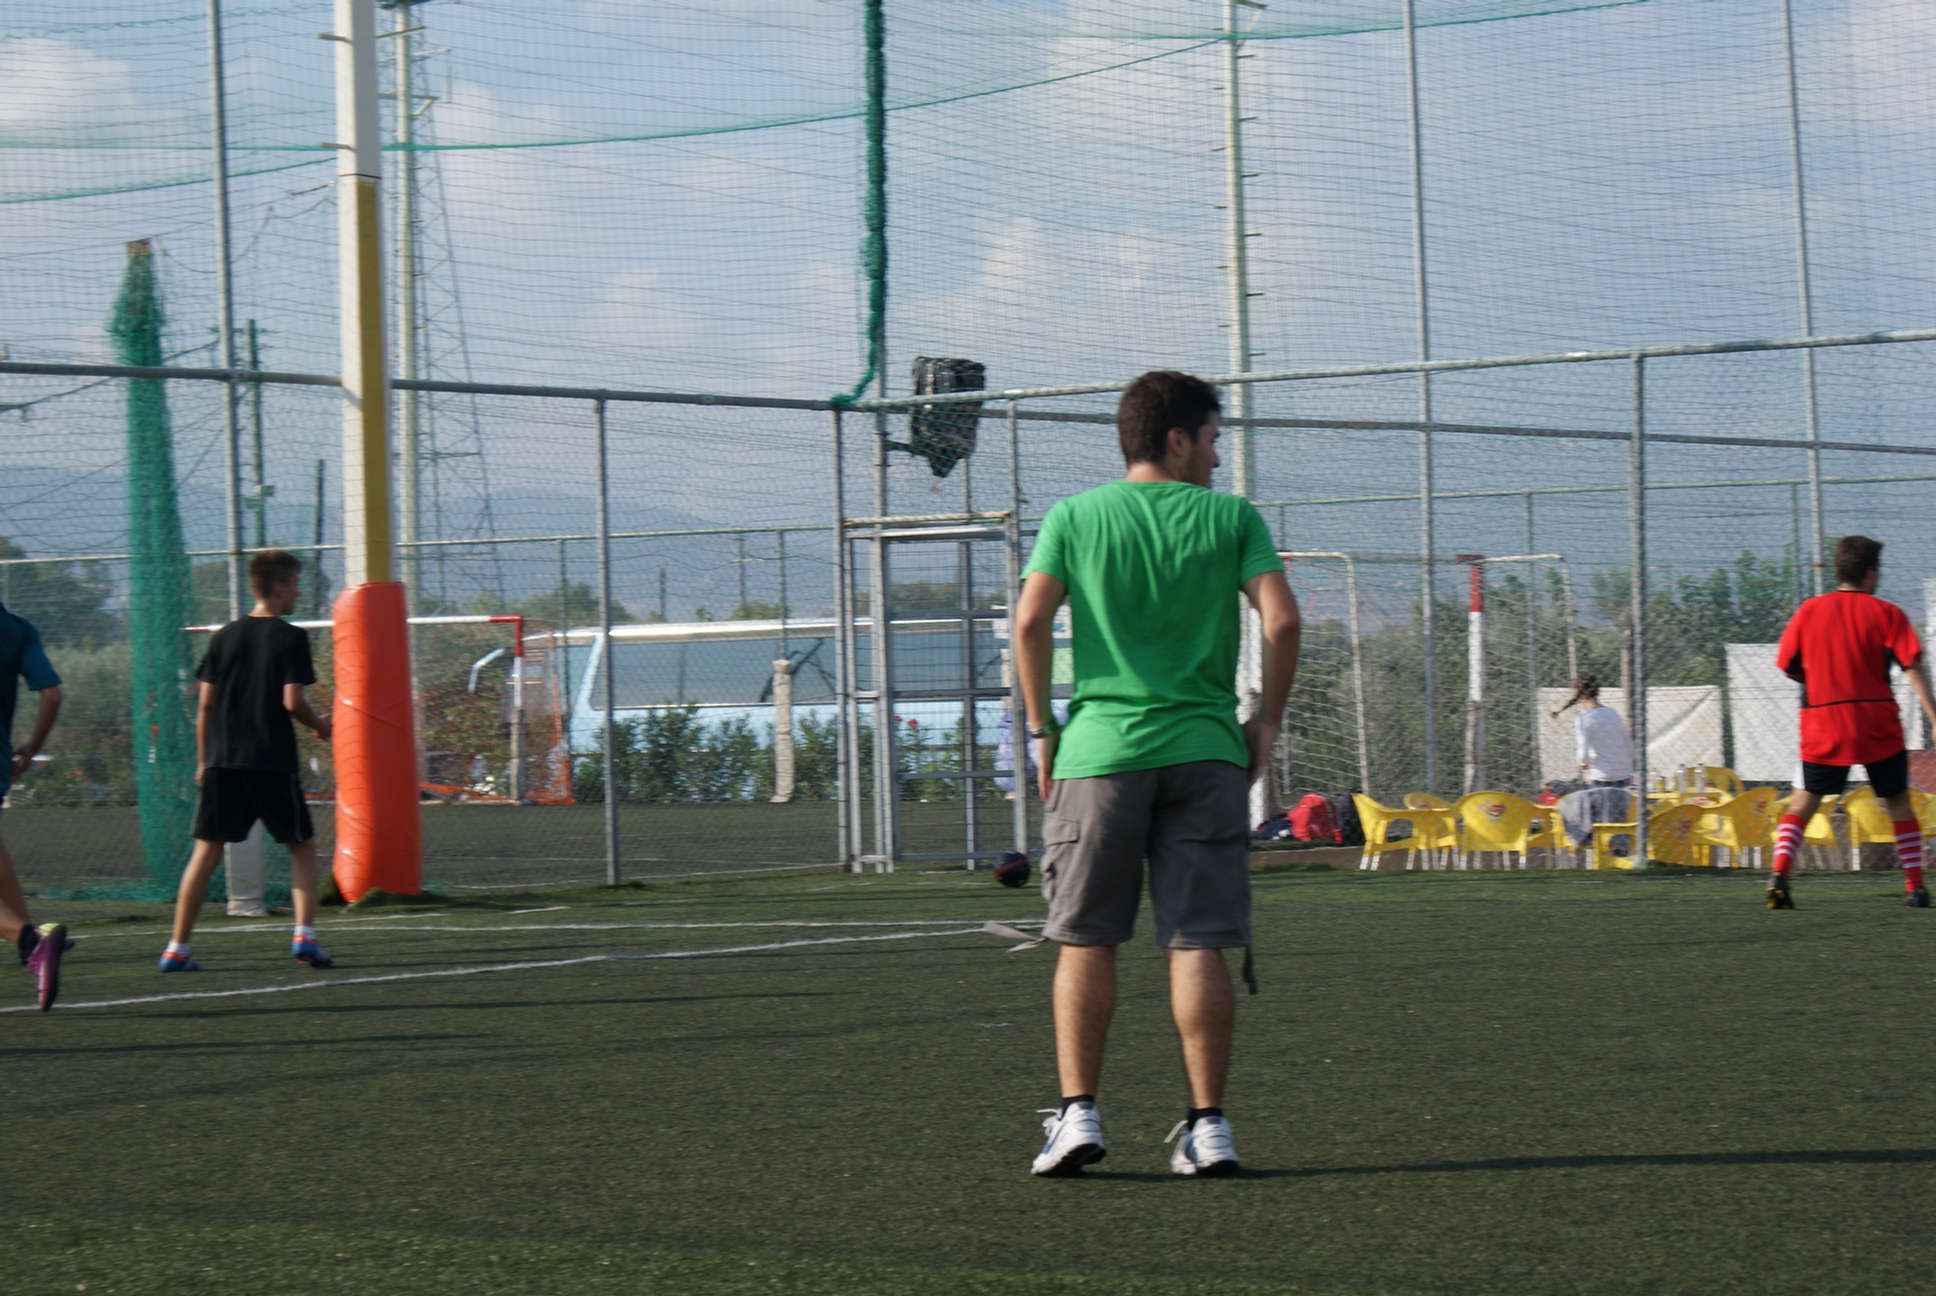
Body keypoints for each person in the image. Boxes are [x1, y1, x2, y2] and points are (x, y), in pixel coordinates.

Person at [1013, 370, 1300, 1178]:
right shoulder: (1232, 518)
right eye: (1211, 440)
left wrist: (1042, 730)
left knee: (1084, 939)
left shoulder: (1074, 516)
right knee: (1197, 941)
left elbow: (1030, 621)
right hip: (1206, 753)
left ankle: (1077, 1115)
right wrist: (1266, 721)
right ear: (1177, 440)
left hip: (1098, 756)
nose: (1217, 458)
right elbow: (1282, 621)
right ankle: (1208, 1128)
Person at [161, 550, 334, 970]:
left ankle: (177, 948)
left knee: (205, 852)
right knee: (302, 847)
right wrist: (321, 725)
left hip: (223, 762)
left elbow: (205, 706)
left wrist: (204, 760)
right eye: (295, 585)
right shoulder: (290, 638)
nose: (298, 593)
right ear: (279, 588)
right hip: (271, 761)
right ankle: (304, 936)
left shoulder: (224, 636)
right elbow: (292, 701)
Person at [1768, 534, 1936, 909]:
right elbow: (1912, 665)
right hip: (1876, 721)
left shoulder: (1809, 611)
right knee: (1898, 802)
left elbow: (1787, 664)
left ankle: (1779, 876)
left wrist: (1823, 681)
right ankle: (1915, 887)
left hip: (1823, 721)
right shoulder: (1888, 614)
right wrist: (1934, 717)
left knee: (1803, 802)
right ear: (1871, 572)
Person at [1, 599, 67, 1010]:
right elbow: (52, 696)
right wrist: (31, 749)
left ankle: (30, 941)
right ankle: (31, 945)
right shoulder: (18, 628)